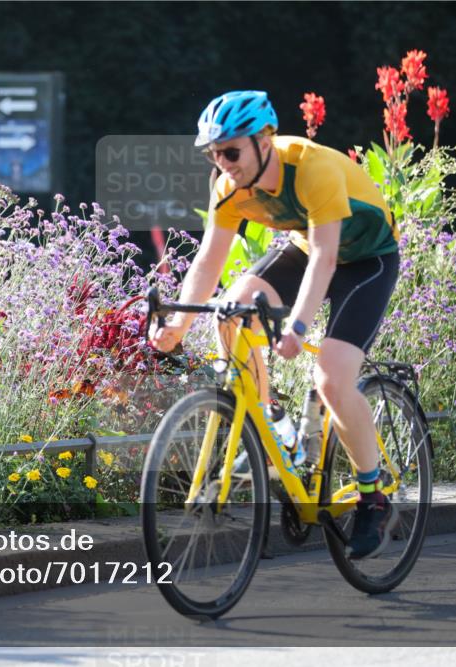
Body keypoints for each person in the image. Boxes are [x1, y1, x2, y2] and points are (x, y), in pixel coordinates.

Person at [149, 90, 401, 560]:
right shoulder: (228, 185)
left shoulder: (310, 168)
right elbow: (209, 260)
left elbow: (327, 258)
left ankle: (373, 495)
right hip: (306, 249)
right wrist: (178, 326)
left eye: (230, 151)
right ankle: (275, 429)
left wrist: (298, 327)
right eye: (213, 153)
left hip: (366, 260)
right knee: (232, 312)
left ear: (265, 139)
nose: (222, 163)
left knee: (331, 376)